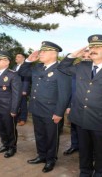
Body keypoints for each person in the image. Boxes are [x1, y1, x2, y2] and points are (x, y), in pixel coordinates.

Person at [58, 34, 102, 176]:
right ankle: (85, 172)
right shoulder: (81, 66)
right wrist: (74, 54)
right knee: (84, 150)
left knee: (101, 151)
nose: (93, 49)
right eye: (92, 47)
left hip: (101, 121)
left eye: (98, 47)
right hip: (80, 118)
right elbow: (62, 67)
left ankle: (99, 173)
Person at [18, 41, 71, 173]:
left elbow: (64, 94)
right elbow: (22, 72)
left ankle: (50, 159)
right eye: (41, 51)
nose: (40, 53)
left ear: (54, 54)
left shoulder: (61, 70)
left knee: (51, 137)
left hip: (51, 111)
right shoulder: (38, 67)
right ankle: (41, 155)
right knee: (39, 134)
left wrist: (59, 113)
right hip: (36, 108)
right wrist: (29, 60)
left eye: (44, 51)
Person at [0, 51, 22, 158]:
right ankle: (5, 144)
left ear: (7, 62)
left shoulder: (13, 75)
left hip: (8, 108)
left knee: (10, 129)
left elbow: (17, 95)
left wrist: (14, 110)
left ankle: (12, 147)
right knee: (1, 128)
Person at [63, 46, 91, 156]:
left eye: (89, 56)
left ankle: (88, 150)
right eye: (83, 56)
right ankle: (74, 145)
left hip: (89, 107)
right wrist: (69, 105)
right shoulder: (77, 68)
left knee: (88, 131)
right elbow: (71, 88)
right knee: (74, 127)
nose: (86, 58)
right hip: (75, 104)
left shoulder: (97, 70)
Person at [13, 53, 31, 126]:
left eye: (18, 56)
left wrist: (24, 90)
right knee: (16, 103)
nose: (16, 57)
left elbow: (27, 79)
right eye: (16, 56)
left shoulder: (27, 67)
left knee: (23, 104)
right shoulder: (15, 66)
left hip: (22, 88)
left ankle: (23, 119)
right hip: (15, 88)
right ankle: (17, 117)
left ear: (24, 58)